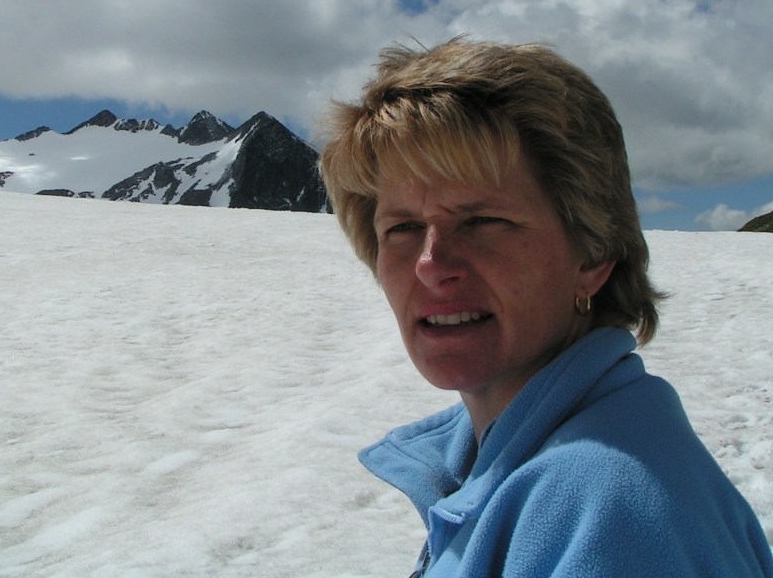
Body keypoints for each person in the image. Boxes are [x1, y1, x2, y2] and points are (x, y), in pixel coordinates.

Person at [320, 38, 773, 577]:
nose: (431, 264)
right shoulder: (526, 464)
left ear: (594, 252)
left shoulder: (609, 516)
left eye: (483, 221)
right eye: (402, 228)